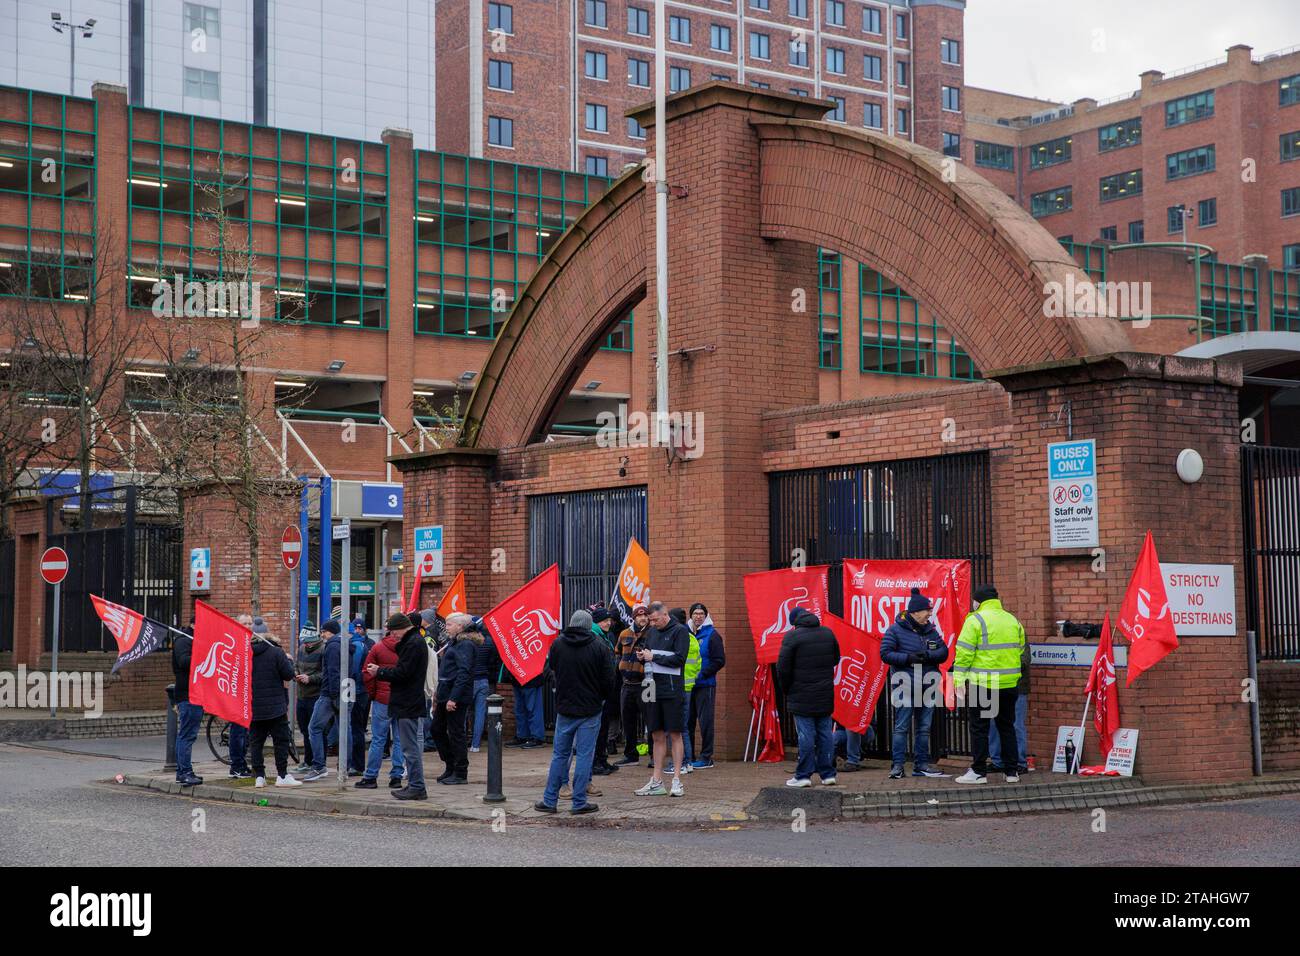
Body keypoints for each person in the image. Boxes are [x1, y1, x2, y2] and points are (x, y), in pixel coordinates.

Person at [535, 609, 616, 815]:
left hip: (565, 708)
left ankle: (549, 800)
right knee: (584, 755)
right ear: (589, 626)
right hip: (590, 709)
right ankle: (579, 802)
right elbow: (609, 680)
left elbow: (550, 670)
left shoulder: (558, 644)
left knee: (559, 755)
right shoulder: (600, 646)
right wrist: (600, 697)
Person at [953, 584, 1027, 785]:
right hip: (1010, 684)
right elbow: (1020, 650)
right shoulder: (1013, 620)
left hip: (983, 684)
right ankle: (1012, 772)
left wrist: (958, 680)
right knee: (1007, 727)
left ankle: (978, 772)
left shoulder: (975, 620)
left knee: (980, 728)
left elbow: (964, 654)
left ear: (979, 601)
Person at [880, 588, 951, 780]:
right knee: (902, 727)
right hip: (905, 686)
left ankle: (921, 765)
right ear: (915, 612)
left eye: (930, 610)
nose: (929, 614)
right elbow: (885, 654)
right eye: (926, 610)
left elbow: (944, 652)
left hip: (928, 687)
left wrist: (928, 655)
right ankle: (897, 767)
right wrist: (909, 658)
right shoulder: (895, 630)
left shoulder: (931, 630)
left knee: (924, 728)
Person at [366, 613, 430, 800]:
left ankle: (417, 786)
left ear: (402, 627)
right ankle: (414, 785)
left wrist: (380, 671)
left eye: (393, 631)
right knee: (407, 748)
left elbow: (403, 673)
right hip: (407, 702)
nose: (392, 635)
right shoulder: (413, 642)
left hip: (408, 702)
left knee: (410, 749)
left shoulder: (413, 644)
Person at [776, 607, 841, 788]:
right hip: (825, 694)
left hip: (801, 695)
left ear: (795, 622)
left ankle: (803, 775)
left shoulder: (792, 637)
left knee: (806, 736)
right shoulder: (827, 633)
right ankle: (828, 774)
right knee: (825, 735)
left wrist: (787, 689)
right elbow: (836, 658)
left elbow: (782, 668)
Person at [633, 602, 689, 798]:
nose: (653, 623)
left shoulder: (680, 631)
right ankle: (656, 781)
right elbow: (649, 655)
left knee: (675, 734)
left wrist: (653, 656)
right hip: (652, 688)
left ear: (665, 615)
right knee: (656, 735)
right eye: (651, 620)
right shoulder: (652, 632)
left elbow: (679, 659)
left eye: (655, 620)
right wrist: (643, 656)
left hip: (672, 690)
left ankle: (676, 780)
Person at [247, 626, 302, 788]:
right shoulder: (276, 652)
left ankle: (259, 776)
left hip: (254, 706)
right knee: (281, 741)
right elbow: (288, 674)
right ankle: (282, 775)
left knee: (256, 742)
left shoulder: (245, 654)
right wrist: (289, 661)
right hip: (275, 707)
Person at [356, 622, 407, 788]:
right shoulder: (407, 649)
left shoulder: (378, 648)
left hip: (382, 700)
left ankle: (371, 776)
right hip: (400, 699)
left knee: (378, 739)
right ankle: (396, 777)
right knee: (399, 740)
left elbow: (367, 673)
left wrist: (373, 693)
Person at [431, 612, 477, 785]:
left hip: (455, 696)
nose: (447, 627)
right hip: (445, 694)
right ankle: (450, 765)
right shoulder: (454, 643)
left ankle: (460, 771)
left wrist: (454, 698)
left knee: (456, 733)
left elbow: (464, 673)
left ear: (460, 626)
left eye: (449, 624)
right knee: (437, 729)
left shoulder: (465, 645)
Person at [988, 588, 1031, 775]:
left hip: (1016, 686)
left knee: (1015, 724)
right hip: (995, 684)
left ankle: (1020, 762)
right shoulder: (993, 628)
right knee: (993, 724)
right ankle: (997, 761)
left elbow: (1025, 658)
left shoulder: (1015, 625)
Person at [303, 619, 343, 782]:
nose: (322, 634)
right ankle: (345, 766)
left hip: (329, 694)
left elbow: (332, 672)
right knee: (343, 729)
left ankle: (319, 766)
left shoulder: (332, 646)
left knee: (314, 727)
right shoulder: (344, 644)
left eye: (324, 631)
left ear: (330, 632)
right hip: (343, 692)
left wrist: (333, 696)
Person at [687, 602, 725, 769]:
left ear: (706, 616)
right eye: (695, 613)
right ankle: (688, 756)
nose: (698, 616)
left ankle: (706, 757)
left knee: (706, 722)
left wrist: (701, 674)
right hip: (688, 686)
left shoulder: (712, 635)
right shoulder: (686, 634)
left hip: (705, 685)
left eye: (701, 613)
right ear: (691, 616)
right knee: (687, 722)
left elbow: (719, 661)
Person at [664, 607, 700, 775]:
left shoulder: (679, 637)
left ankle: (684, 762)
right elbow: (698, 664)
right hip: (688, 686)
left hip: (678, 687)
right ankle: (688, 762)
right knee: (683, 727)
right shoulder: (692, 638)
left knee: (679, 728)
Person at [613, 605, 649, 766]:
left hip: (646, 684)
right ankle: (631, 755)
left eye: (645, 616)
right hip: (627, 684)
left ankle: (655, 757)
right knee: (627, 720)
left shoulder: (652, 634)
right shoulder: (624, 634)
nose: (643, 618)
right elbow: (617, 653)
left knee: (651, 720)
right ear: (634, 617)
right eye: (640, 616)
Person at [589, 606, 622, 776]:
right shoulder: (595, 637)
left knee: (604, 727)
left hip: (607, 690)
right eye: (604, 620)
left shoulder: (604, 636)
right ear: (596, 621)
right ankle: (596, 762)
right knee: (598, 729)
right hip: (599, 692)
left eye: (609, 620)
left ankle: (602, 759)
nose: (608, 623)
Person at [171, 624, 204, 787]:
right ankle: (185, 772)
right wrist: (202, 652)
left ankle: (182, 772)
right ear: (194, 625)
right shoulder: (184, 641)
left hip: (195, 694)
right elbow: (184, 662)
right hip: (188, 694)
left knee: (187, 734)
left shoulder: (193, 640)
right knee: (187, 735)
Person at [224, 614, 256, 779]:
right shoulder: (234, 643)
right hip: (236, 695)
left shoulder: (250, 643)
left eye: (250, 623)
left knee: (245, 733)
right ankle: (236, 766)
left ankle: (241, 764)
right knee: (238, 733)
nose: (249, 626)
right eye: (245, 623)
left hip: (247, 695)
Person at [292, 628, 325, 773]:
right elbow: (296, 665)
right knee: (305, 730)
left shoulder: (323, 650)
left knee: (316, 730)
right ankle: (307, 761)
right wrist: (295, 673)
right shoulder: (301, 648)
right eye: (304, 642)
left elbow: (325, 673)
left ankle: (318, 762)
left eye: (309, 642)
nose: (307, 645)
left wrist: (310, 678)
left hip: (315, 696)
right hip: (302, 695)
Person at [469, 617, 501, 753]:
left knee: (467, 712)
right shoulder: (489, 642)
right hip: (484, 680)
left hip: (470, 680)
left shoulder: (467, 643)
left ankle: (466, 740)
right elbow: (493, 660)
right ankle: (476, 744)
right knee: (481, 712)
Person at [347, 623, 375, 774]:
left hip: (357, 691)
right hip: (358, 690)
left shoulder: (356, 645)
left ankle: (357, 765)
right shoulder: (359, 644)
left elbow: (354, 670)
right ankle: (354, 763)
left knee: (355, 728)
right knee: (355, 728)